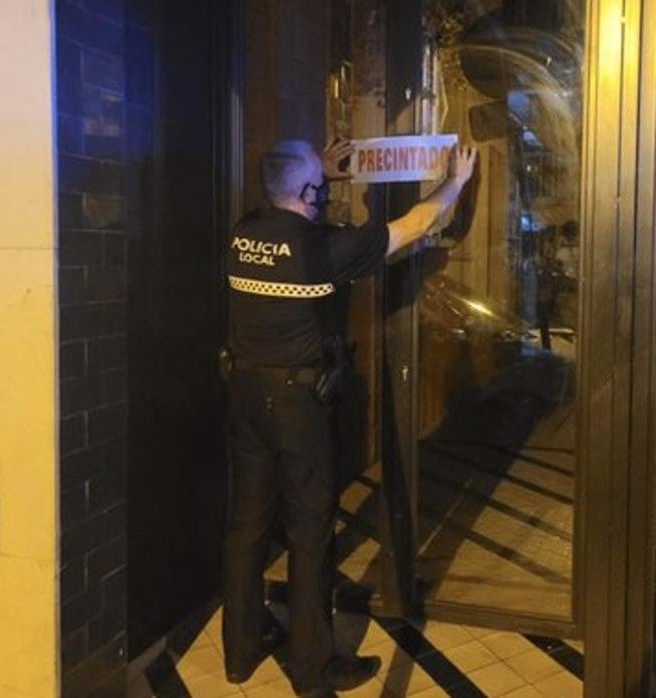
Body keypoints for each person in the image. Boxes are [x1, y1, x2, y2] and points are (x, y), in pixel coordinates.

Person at [222, 138, 478, 696]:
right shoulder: (323, 250)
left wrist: (325, 179)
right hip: (297, 405)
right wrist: (454, 183)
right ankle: (314, 668)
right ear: (307, 191)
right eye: (320, 183)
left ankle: (239, 652)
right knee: (310, 530)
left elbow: (294, 215)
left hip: (245, 395)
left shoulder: (243, 233)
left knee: (247, 523)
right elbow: (411, 226)